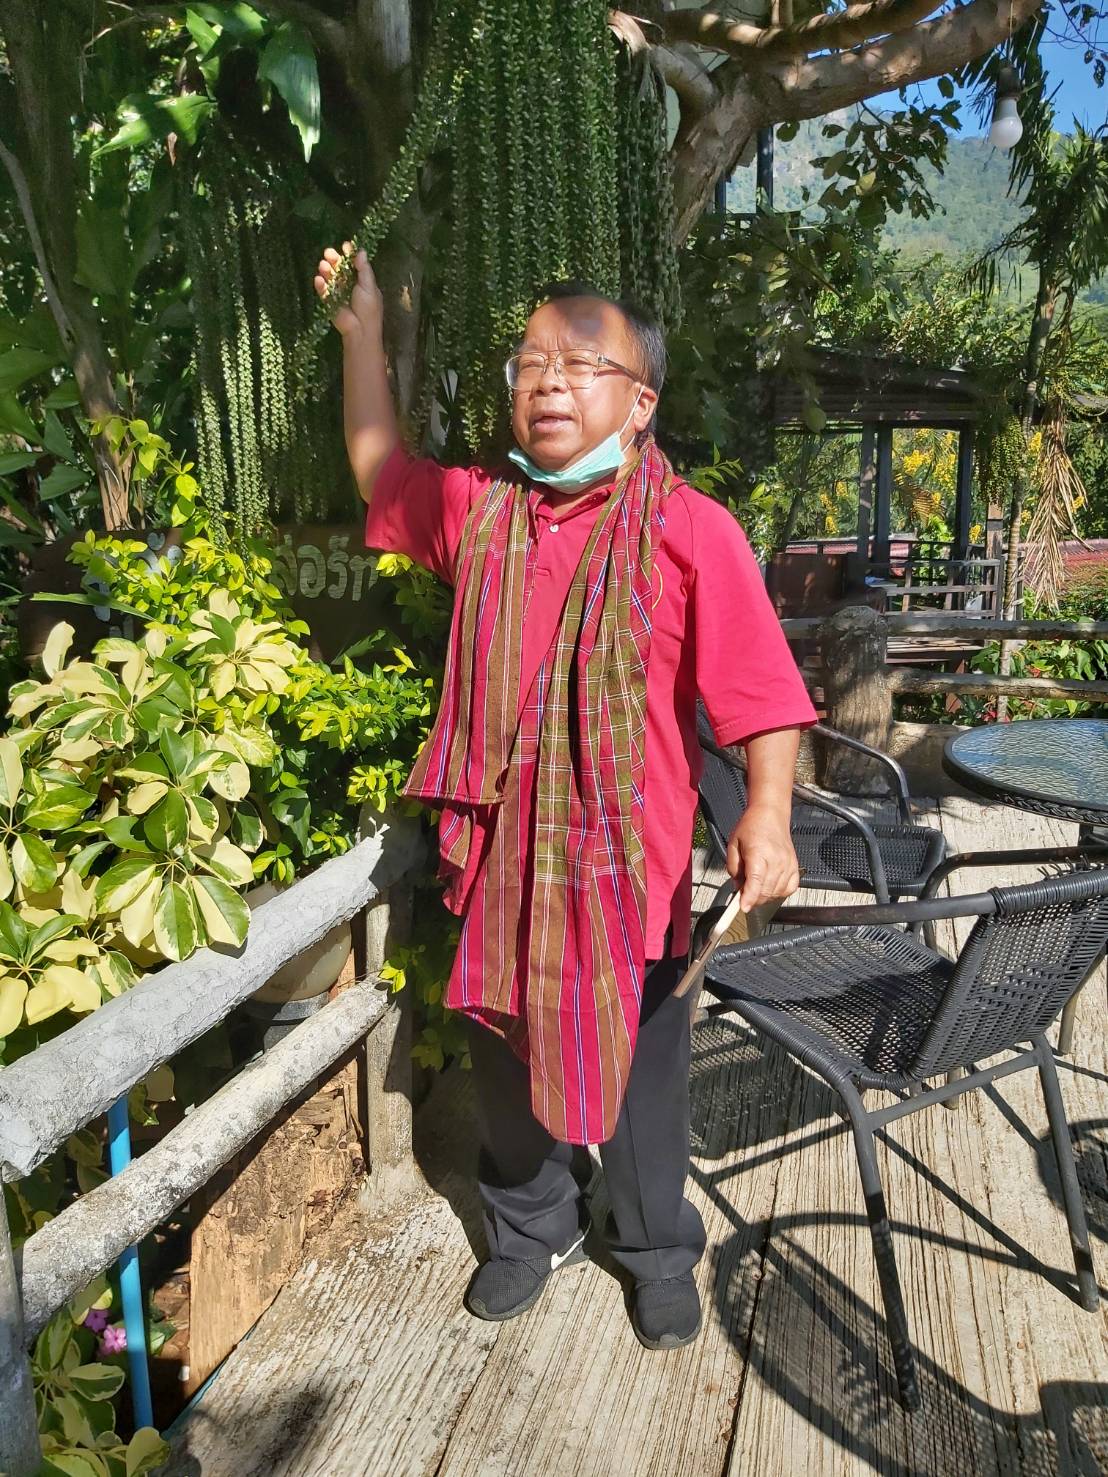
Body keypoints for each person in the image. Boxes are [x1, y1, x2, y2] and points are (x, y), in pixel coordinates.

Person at [314, 244, 817, 1350]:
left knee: (641, 1079)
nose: (547, 380)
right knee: (504, 1060)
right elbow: (378, 467)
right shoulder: (483, 512)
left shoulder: (691, 529)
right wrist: (361, 334)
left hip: (630, 872)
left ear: (640, 403)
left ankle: (650, 1246)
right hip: (500, 867)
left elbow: (758, 691)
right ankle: (529, 1226)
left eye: (581, 363)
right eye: (532, 361)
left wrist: (768, 811)